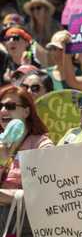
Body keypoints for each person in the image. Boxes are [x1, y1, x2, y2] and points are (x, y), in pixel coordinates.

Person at [0, 85, 54, 236]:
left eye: (10, 106)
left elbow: (48, 193)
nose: (4, 110)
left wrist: (6, 196)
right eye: (0, 106)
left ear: (26, 111)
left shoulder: (42, 145)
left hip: (25, 225)